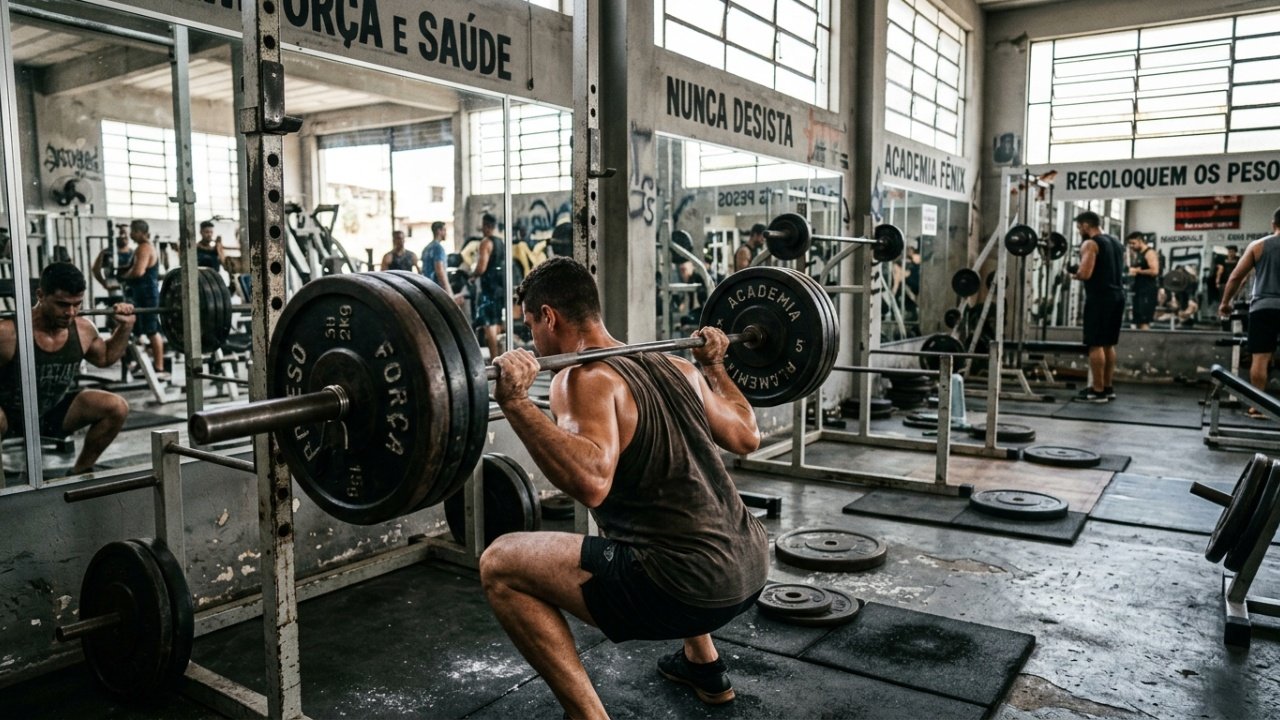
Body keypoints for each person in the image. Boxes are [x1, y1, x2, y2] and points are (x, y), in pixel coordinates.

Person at [484, 257, 767, 719]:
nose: (532, 338)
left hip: (686, 587)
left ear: (549, 316)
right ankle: (704, 665)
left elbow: (592, 483)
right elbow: (746, 436)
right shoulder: (676, 365)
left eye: (531, 324)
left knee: (499, 564)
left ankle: (587, 716)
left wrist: (516, 402)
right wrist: (715, 366)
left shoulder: (582, 378)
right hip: (751, 564)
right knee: (663, 508)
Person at [0, 263, 133, 475]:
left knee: (116, 407)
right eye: (62, 304)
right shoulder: (8, 334)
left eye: (77, 304)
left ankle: (81, 470)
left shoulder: (83, 329)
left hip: (52, 412)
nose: (70, 313)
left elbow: (105, 357)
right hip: (7, 417)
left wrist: (124, 327)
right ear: (40, 295)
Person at [1218, 208, 1280, 418]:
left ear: (1273, 224)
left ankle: (1258, 407)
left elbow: (1236, 277)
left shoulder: (1259, 246)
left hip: (1263, 308)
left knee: (1260, 357)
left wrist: (1226, 303)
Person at [1070, 211, 1125, 403]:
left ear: (1086, 225)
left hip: (1100, 297)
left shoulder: (1090, 243)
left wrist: (1074, 273)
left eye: (1079, 228)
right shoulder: (1116, 242)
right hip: (1118, 295)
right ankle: (1108, 388)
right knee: (1108, 343)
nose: (1079, 231)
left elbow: (1085, 273)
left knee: (1095, 344)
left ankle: (1098, 390)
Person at [119, 219, 166, 377]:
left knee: (152, 331)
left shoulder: (145, 248)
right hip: (141, 294)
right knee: (139, 331)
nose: (130, 234)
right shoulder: (141, 247)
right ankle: (143, 363)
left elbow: (138, 272)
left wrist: (124, 277)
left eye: (133, 231)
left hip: (147, 294)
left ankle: (159, 368)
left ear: (140, 232)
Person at [472, 213, 506, 360]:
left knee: (489, 325)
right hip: (499, 287)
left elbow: (481, 267)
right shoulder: (500, 242)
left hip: (488, 288)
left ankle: (494, 360)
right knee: (497, 323)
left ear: (486, 225)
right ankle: (500, 356)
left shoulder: (485, 242)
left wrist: (472, 275)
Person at [1126, 232, 1159, 330]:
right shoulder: (1139, 254)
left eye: (1133, 243)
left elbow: (1155, 271)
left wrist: (1137, 271)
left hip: (1147, 291)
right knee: (1139, 320)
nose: (1131, 246)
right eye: (1130, 244)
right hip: (1140, 290)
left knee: (1144, 321)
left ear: (1140, 241)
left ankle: (1146, 344)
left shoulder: (1150, 253)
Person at [91, 228, 132, 294]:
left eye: (125, 235)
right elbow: (95, 269)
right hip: (114, 285)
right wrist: (103, 282)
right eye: (121, 234)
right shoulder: (106, 252)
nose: (123, 237)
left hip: (130, 286)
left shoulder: (132, 252)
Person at [421, 221, 450, 290]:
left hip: (426, 286)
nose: (446, 233)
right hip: (435, 289)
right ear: (439, 231)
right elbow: (440, 271)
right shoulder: (438, 248)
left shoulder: (426, 248)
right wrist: (449, 291)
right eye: (444, 230)